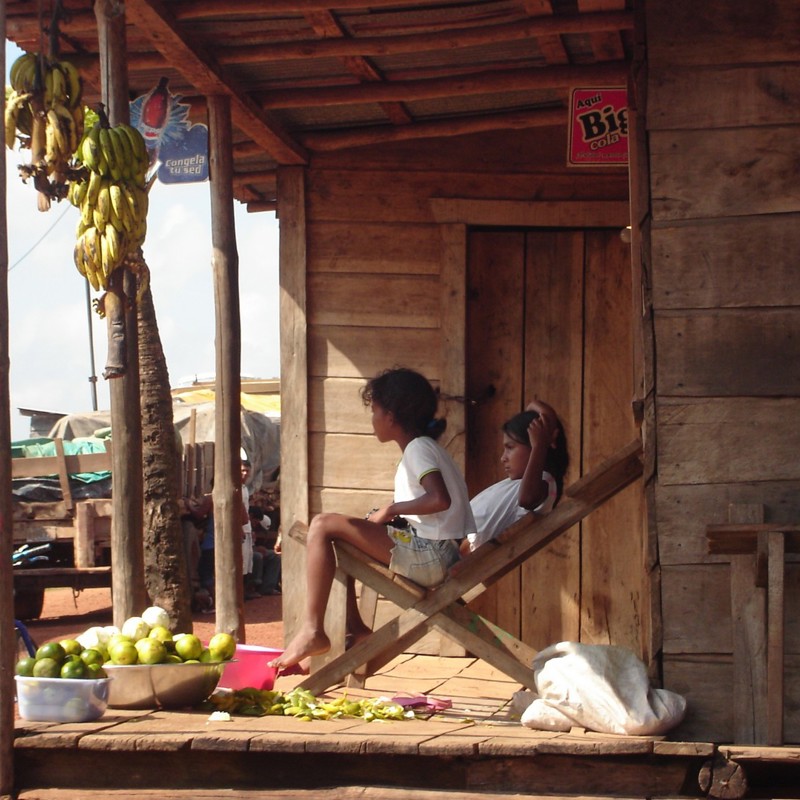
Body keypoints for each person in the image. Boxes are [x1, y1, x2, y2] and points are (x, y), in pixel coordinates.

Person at [269, 367, 476, 671]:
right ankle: (358, 630)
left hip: (433, 556)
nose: (372, 419)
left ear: (390, 416)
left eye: (375, 411)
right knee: (340, 536)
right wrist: (392, 517)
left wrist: (391, 510)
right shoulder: (426, 448)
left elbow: (439, 499)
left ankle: (312, 630)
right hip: (439, 553)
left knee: (322, 524)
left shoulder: (418, 449)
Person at [465, 399, 569, 553]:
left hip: (448, 549)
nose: (503, 458)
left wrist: (539, 446)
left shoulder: (543, 483)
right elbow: (533, 405)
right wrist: (547, 420)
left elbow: (527, 499)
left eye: (510, 447)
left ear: (534, 445)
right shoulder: (517, 485)